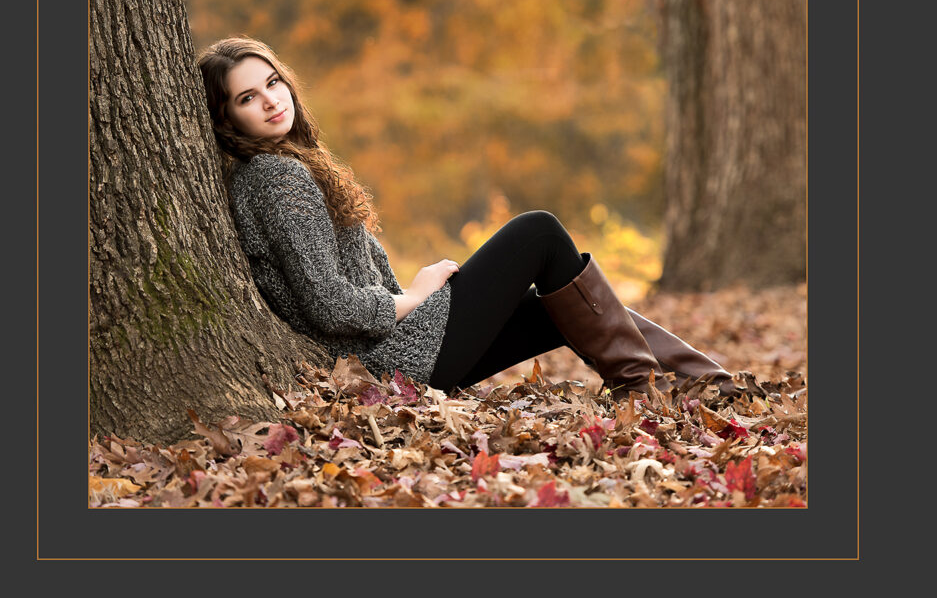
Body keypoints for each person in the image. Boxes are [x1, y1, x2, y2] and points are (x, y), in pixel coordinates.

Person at [198, 36, 737, 397]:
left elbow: (349, 284)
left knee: (555, 305)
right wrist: (415, 294)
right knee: (538, 232)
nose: (271, 101)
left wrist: (412, 297)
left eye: (273, 83)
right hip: (386, 367)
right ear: (226, 119)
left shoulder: (290, 167)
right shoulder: (276, 178)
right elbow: (328, 303)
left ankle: (690, 383)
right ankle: (677, 385)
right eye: (248, 97)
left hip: (397, 356)